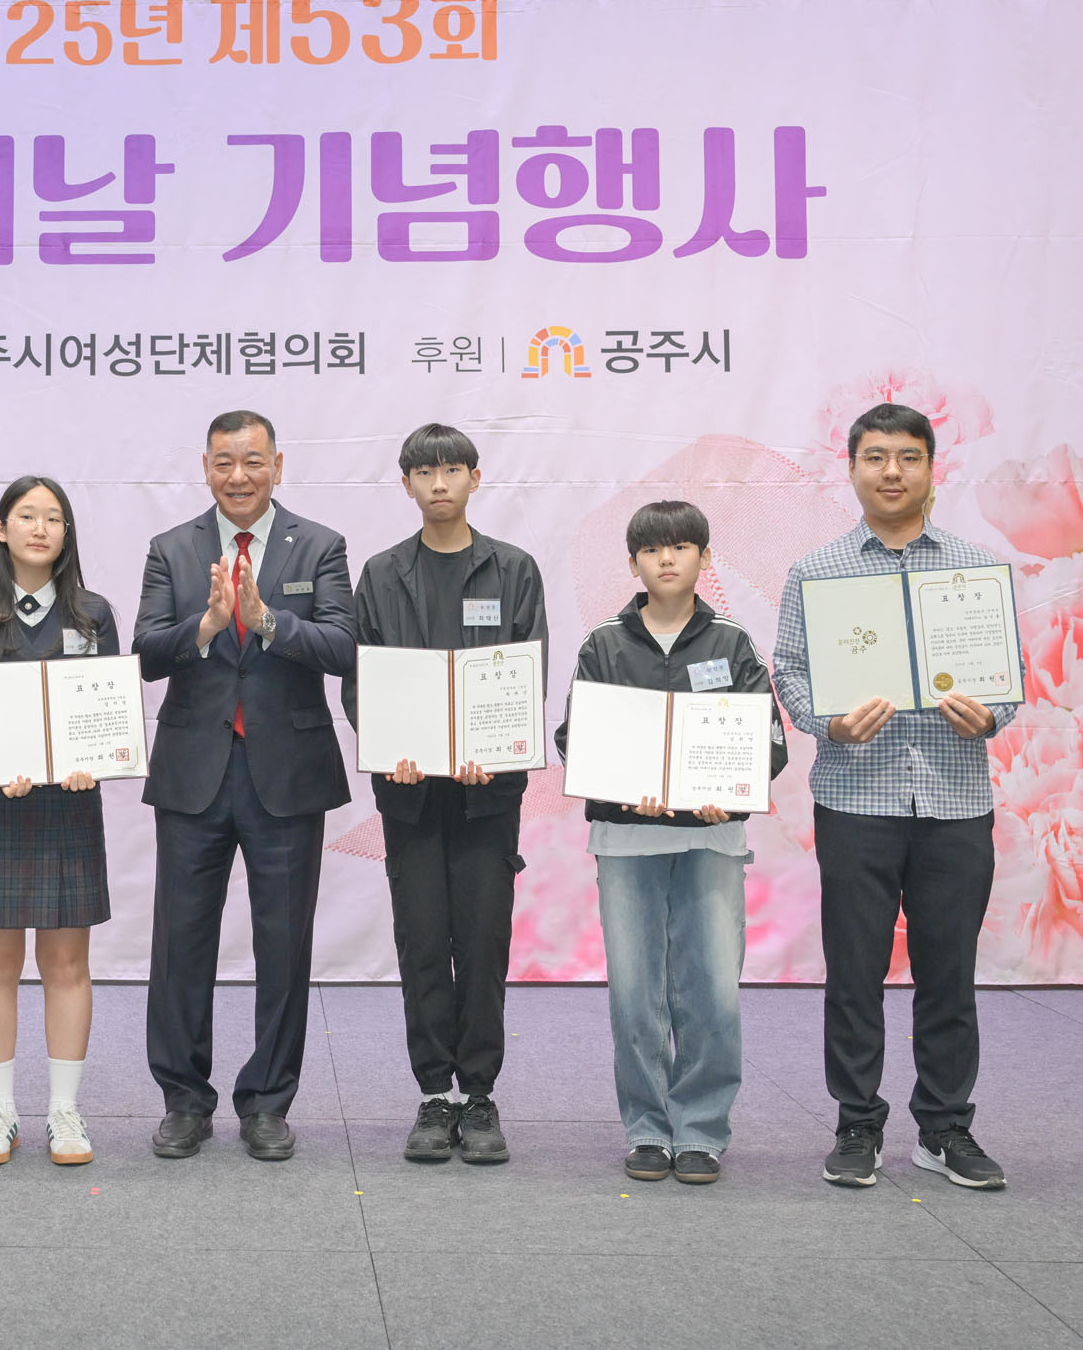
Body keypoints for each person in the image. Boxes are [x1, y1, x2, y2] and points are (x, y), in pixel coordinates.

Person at [772, 403, 1015, 1191]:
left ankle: (945, 1127)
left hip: (954, 799)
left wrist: (992, 714)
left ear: (932, 469)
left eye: (909, 457)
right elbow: (790, 669)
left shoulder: (976, 568)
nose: (892, 472)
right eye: (875, 457)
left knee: (950, 973)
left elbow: (1007, 678)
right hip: (857, 796)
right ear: (851, 469)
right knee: (854, 973)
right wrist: (829, 723)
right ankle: (857, 1123)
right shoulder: (817, 571)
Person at [134, 409, 356, 1161]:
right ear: (206, 468)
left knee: (283, 946)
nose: (239, 476)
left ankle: (267, 1102)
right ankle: (183, 1100)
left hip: (286, 775)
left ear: (277, 465)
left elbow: (343, 645)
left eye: (253, 461)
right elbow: (145, 653)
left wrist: (267, 622)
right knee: (180, 944)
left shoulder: (319, 545)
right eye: (224, 462)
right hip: (193, 772)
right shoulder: (172, 548)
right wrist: (204, 627)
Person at [555, 500, 786, 1185]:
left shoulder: (733, 643)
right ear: (632, 564)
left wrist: (731, 792)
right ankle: (648, 1130)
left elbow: (767, 742)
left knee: (710, 990)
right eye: (652, 549)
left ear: (704, 559)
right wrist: (621, 785)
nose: (666, 558)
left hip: (711, 838)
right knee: (635, 994)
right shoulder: (603, 643)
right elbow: (575, 737)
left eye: (681, 547)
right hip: (626, 838)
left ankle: (701, 1132)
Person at [342, 423, 548, 1165]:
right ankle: (435, 1094)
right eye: (424, 472)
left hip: (488, 795)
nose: (439, 483)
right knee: (424, 943)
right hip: (410, 795)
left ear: (474, 478)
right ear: (406, 484)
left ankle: (480, 1095)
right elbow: (362, 682)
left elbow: (526, 675)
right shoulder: (381, 573)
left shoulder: (513, 569)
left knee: (484, 943)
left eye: (452, 469)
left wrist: (496, 750)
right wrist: (385, 746)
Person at [0, 476, 119, 1167]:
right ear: (0, 528)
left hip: (69, 804)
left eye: (54, 518)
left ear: (67, 533)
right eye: (26, 516)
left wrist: (92, 760)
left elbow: (107, 708)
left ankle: (64, 1113)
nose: (40, 528)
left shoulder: (93, 614)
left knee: (67, 964)